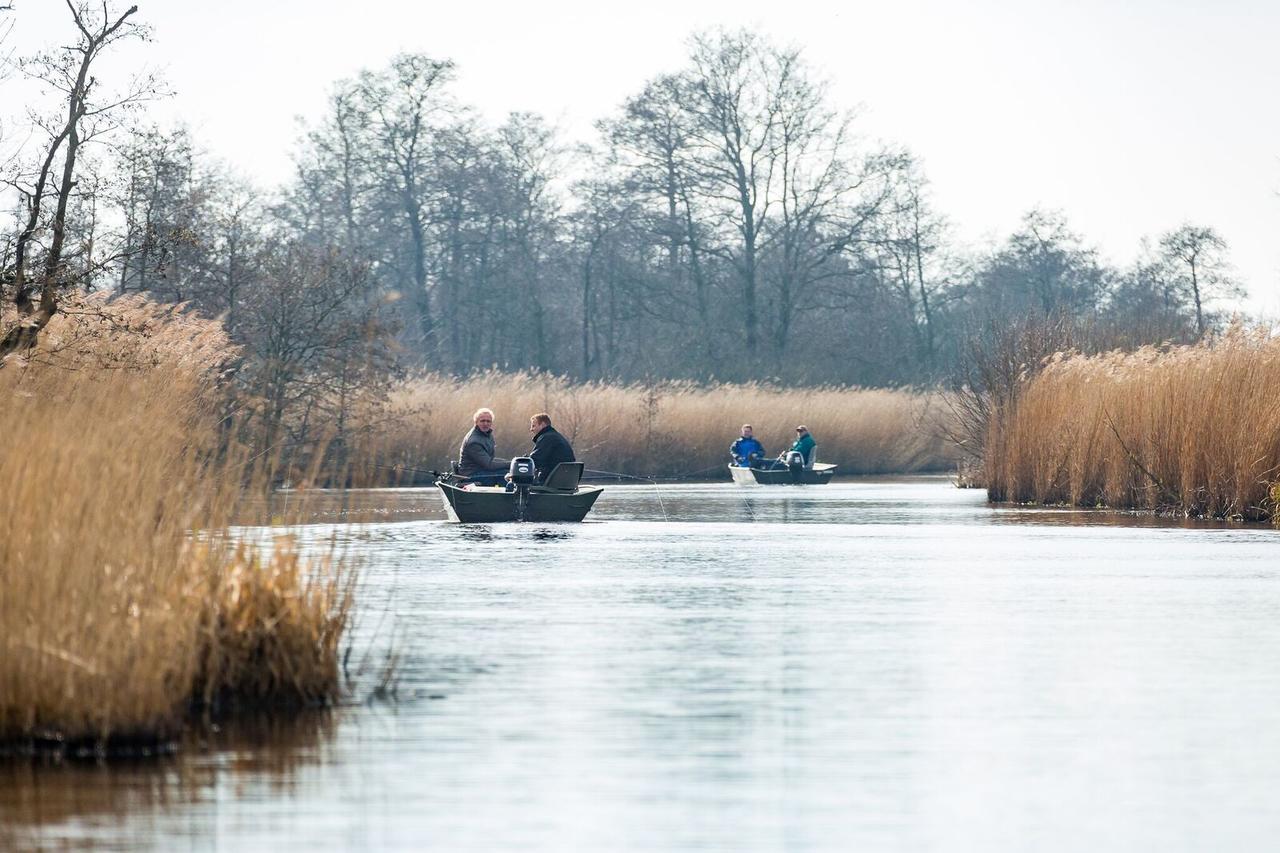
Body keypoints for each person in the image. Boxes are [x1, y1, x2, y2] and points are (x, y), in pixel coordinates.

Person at [457, 407, 509, 485]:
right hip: (470, 476)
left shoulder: (487, 434)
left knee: (509, 472)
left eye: (488, 421)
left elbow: (490, 460)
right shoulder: (473, 441)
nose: (485, 424)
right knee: (504, 475)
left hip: (482, 471)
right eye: (482, 421)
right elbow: (489, 465)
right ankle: (510, 496)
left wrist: (513, 463)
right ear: (476, 422)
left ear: (491, 423)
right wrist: (511, 464)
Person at [527, 412, 575, 484]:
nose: (531, 429)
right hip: (567, 481)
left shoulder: (547, 438)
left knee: (514, 483)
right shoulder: (556, 436)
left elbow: (534, 460)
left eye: (534, 426)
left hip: (550, 481)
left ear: (543, 425)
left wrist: (516, 466)